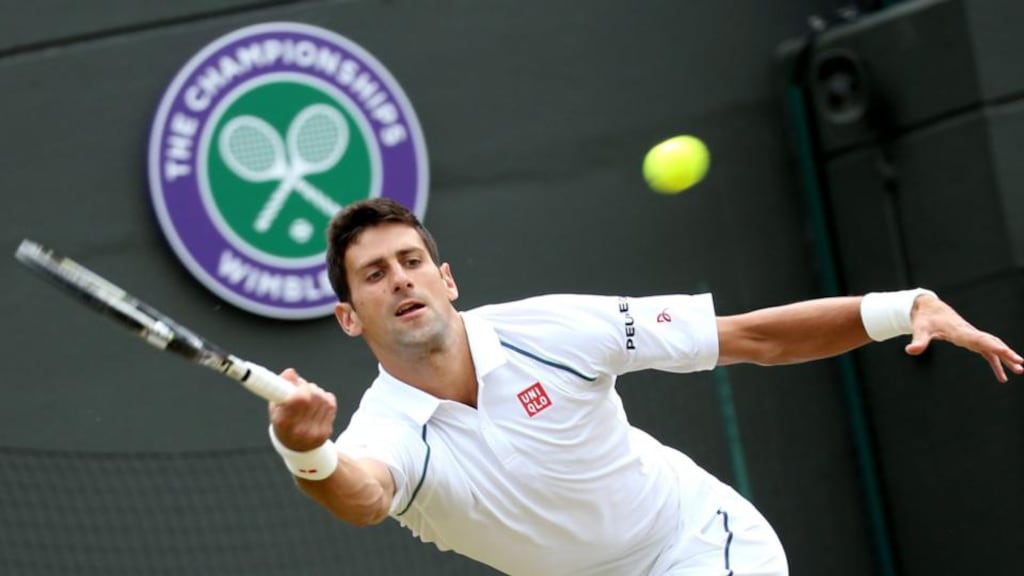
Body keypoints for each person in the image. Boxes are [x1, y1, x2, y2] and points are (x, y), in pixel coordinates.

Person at [267, 198, 1022, 576]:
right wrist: (308, 452)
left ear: (446, 278)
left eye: (411, 260)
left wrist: (901, 309)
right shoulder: (387, 430)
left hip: (694, 545)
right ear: (348, 316)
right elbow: (362, 494)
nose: (400, 279)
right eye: (375, 274)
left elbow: (753, 337)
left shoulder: (554, 330)